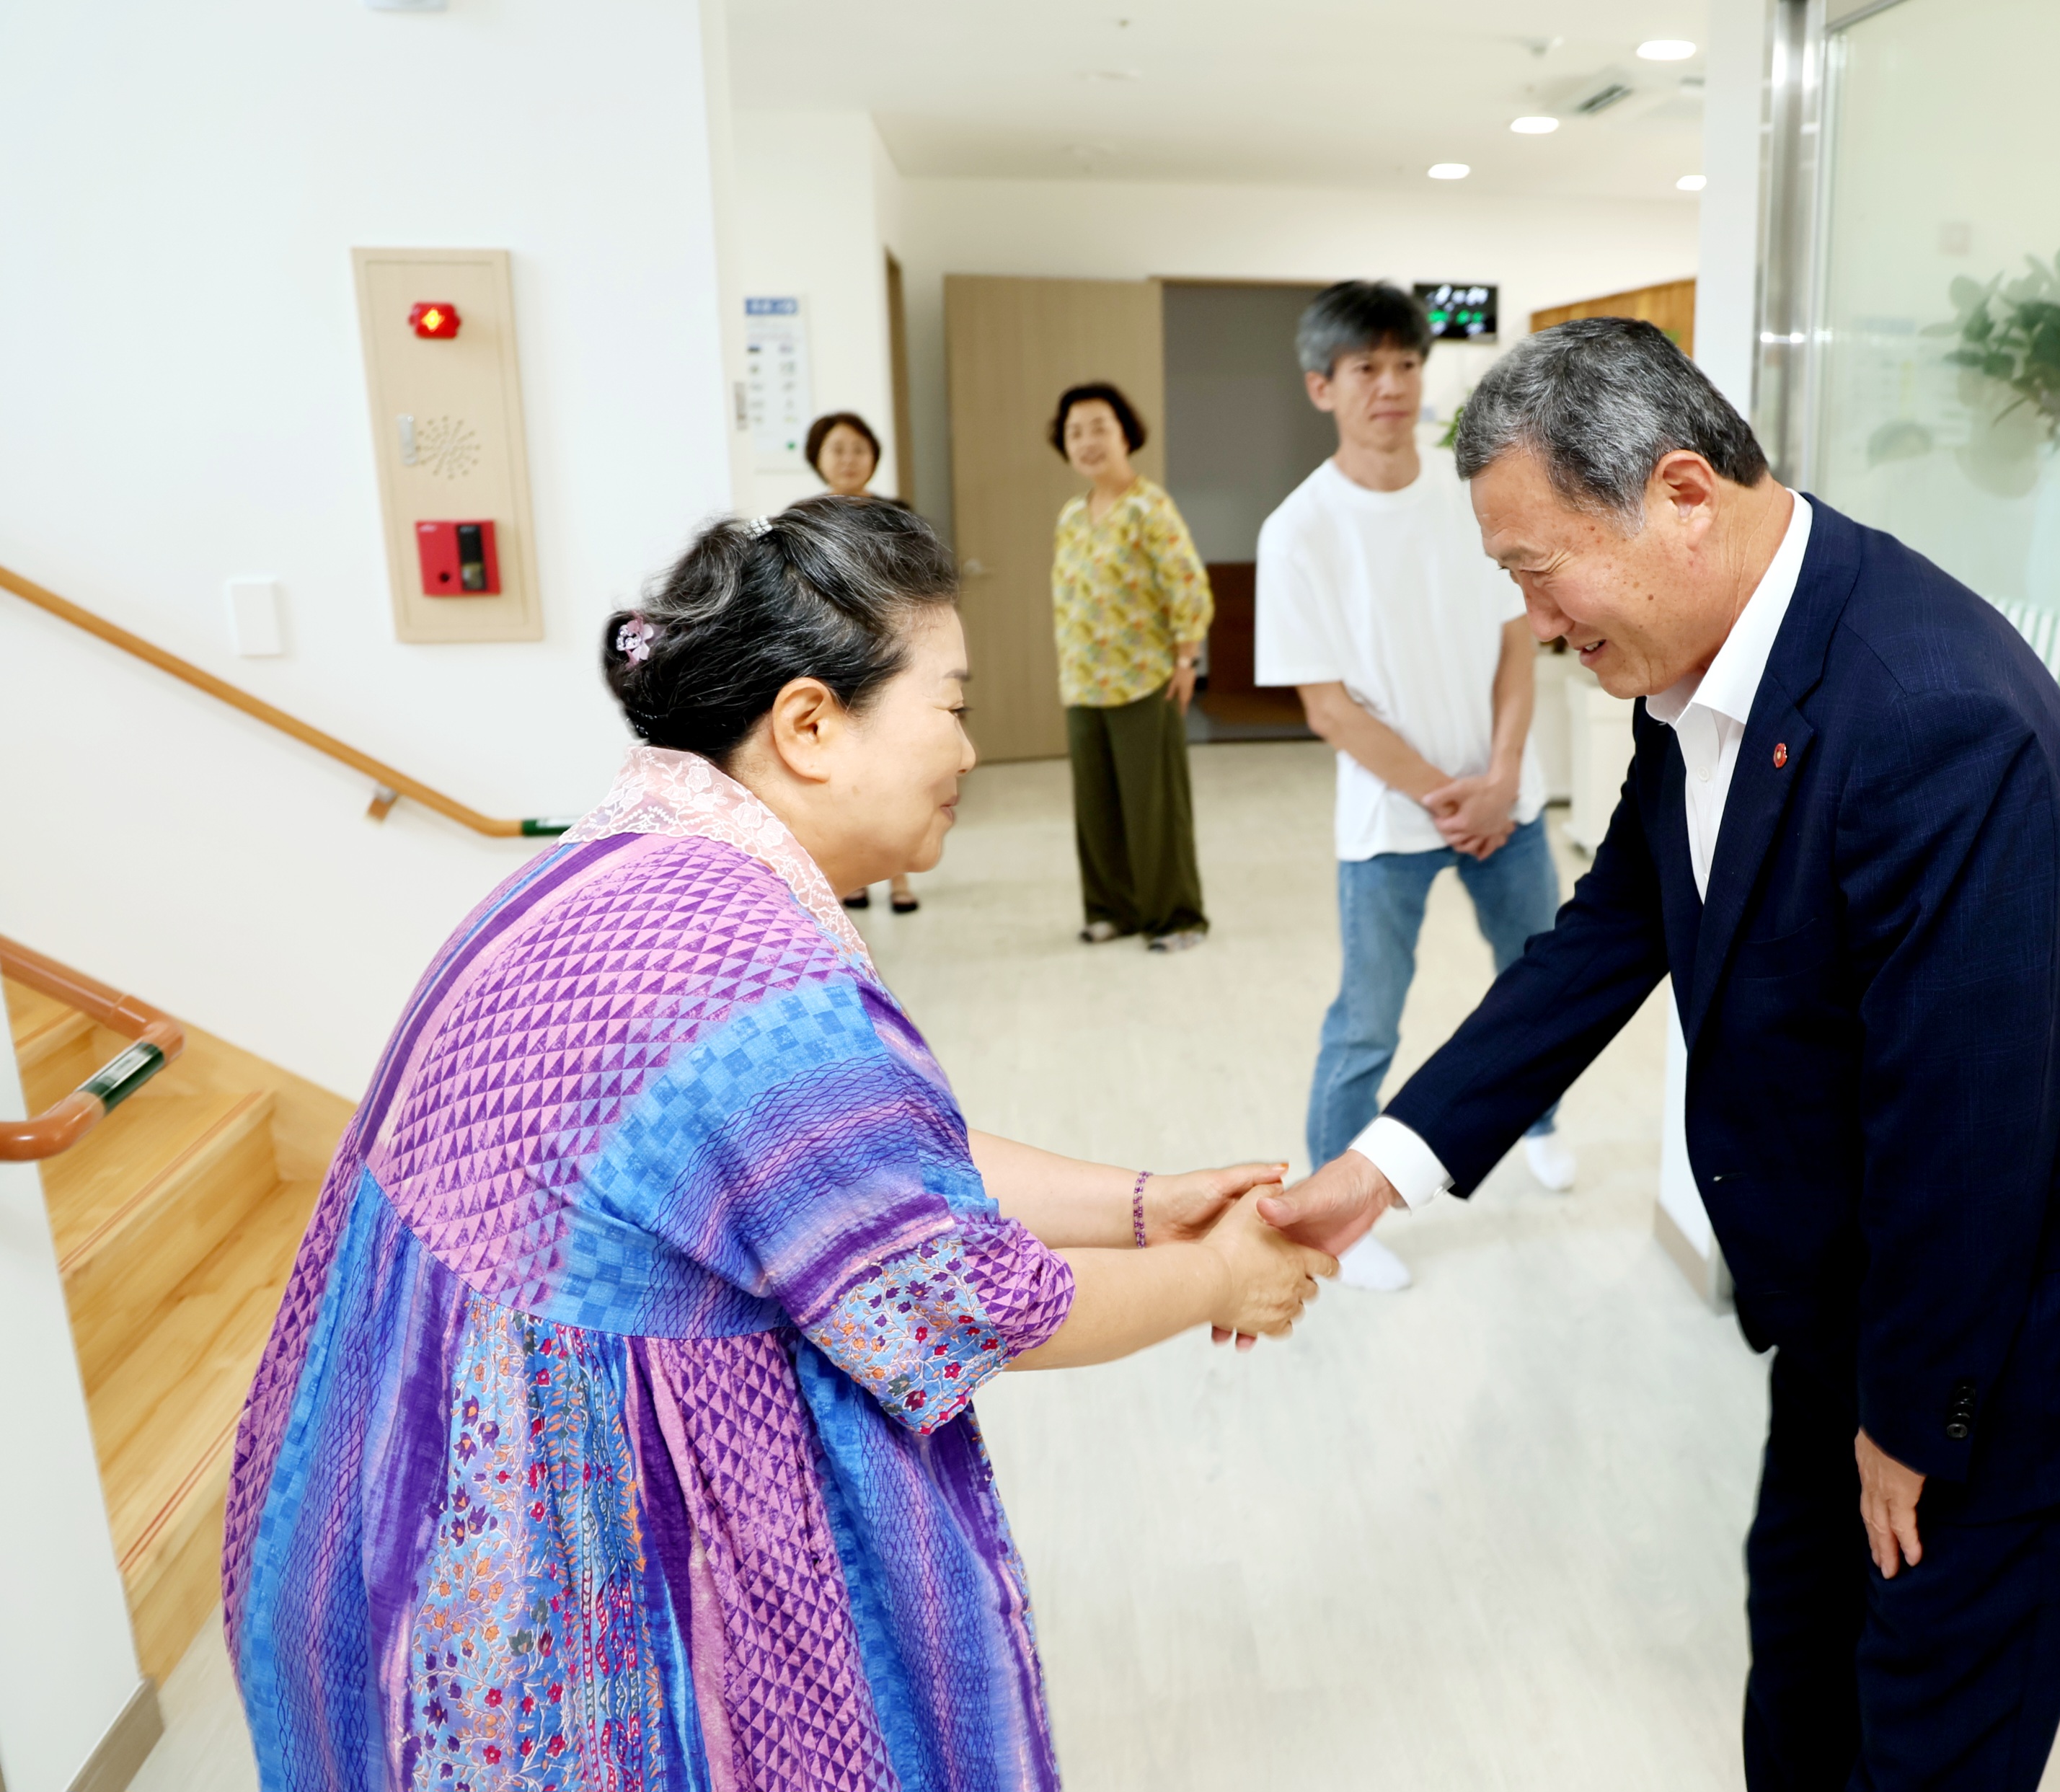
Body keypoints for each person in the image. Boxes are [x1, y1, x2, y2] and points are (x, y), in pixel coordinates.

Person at [222, 494, 1334, 1792]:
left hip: (373, 1506)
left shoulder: (631, 868)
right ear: (810, 725)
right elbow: (957, 1302)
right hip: (548, 1575)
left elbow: (857, 1171)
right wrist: (1224, 1274)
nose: (971, 749)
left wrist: (1147, 1204)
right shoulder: (749, 974)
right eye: (954, 703)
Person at [1257, 319, 2060, 1786]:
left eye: (1536, 571)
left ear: (1679, 497)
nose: (1531, 622)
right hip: (1848, 1304)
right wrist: (1382, 1167)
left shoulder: (1931, 716)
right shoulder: (1706, 666)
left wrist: (1909, 1428)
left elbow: (1967, 1136)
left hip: (1994, 1350)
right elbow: (1606, 934)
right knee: (1797, 1682)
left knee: (1919, 1745)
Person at [1253, 281, 1568, 1297]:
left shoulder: (1472, 490)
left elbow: (1519, 642)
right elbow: (1328, 708)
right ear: (1321, 385)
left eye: (1405, 363)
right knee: (1366, 1024)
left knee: (1541, 984)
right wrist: (1452, 794)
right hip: (1391, 818)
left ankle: (1546, 1123)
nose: (1391, 386)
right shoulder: (1298, 529)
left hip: (1505, 803)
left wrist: (1505, 778)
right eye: (1365, 368)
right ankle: (1331, 1219)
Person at [1049, 381, 1213, 951]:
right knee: (1096, 810)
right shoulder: (1071, 515)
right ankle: (1111, 908)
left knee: (1155, 809)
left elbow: (1187, 584)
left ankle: (1177, 917)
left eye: (1099, 427)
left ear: (1125, 434)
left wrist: (1187, 655)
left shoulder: (1149, 506)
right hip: (1083, 683)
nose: (1087, 441)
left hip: (1147, 678)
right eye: (1075, 432)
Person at [806, 408, 918, 914]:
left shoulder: (896, 516)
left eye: (858, 448)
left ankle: (899, 878)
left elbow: (915, 589)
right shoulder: (803, 520)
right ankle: (851, 874)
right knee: (841, 769)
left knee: (895, 768)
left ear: (873, 455)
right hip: (829, 657)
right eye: (837, 449)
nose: (849, 458)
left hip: (887, 655)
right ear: (818, 459)